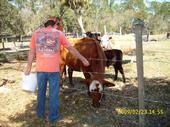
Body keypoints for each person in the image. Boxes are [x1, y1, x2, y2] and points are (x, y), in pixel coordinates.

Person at [24, 18, 89, 124]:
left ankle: (40, 114)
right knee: (54, 95)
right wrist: (83, 59)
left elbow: (31, 52)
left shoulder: (35, 34)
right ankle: (53, 117)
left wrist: (28, 67)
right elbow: (71, 49)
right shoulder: (59, 34)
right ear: (54, 25)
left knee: (41, 93)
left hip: (40, 70)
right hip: (54, 70)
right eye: (57, 25)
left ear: (46, 25)